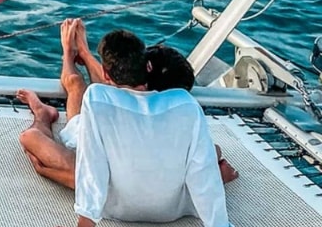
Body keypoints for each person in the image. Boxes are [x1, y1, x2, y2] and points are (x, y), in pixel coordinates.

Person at [21, 26, 265, 227]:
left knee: (42, 154)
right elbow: (200, 169)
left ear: (106, 75)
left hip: (117, 206)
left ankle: (42, 114)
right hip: (171, 210)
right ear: (147, 67)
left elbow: (92, 164)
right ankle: (61, 80)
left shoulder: (98, 99)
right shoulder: (186, 105)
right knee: (208, 154)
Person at [19, 22, 237, 189]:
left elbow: (108, 84)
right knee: (212, 151)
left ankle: (42, 115)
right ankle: (46, 108)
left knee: (34, 134)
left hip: (100, 169)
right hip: (135, 179)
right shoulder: (181, 116)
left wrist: (46, 171)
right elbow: (112, 83)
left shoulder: (109, 102)